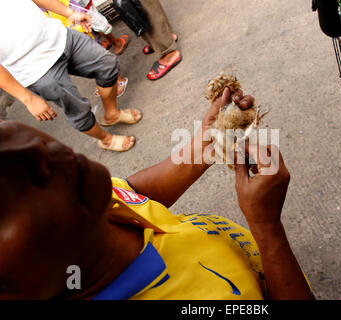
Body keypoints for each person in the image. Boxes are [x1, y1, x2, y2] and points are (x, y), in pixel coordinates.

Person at [0, 87, 314, 300]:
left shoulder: (88, 205)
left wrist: (209, 141)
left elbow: (135, 195)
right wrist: (268, 229)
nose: (31, 149)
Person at [0, 0, 142, 152]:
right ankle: (106, 140)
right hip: (34, 69)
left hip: (59, 36)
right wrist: (27, 98)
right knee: (78, 110)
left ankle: (112, 113)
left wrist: (70, 13)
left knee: (107, 65)